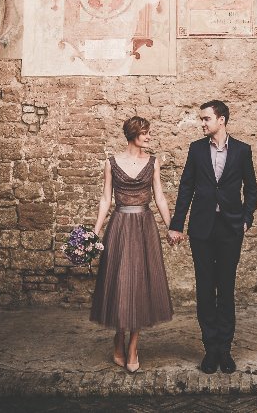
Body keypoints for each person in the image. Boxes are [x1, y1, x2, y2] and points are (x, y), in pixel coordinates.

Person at [168, 100, 257, 374]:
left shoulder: (242, 151)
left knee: (226, 289)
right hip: (202, 229)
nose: (202, 123)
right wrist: (177, 224)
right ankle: (210, 350)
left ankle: (225, 349)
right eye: (202, 119)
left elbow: (251, 189)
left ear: (221, 120)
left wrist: (246, 220)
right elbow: (186, 187)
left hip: (231, 229)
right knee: (206, 290)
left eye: (206, 118)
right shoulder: (196, 149)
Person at [90, 116, 174, 372]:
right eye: (145, 133)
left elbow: (159, 196)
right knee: (120, 282)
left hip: (145, 226)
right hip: (120, 225)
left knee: (140, 284)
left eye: (149, 133)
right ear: (134, 134)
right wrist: (94, 232)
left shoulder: (153, 162)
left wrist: (172, 226)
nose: (149, 137)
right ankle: (119, 336)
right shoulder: (111, 163)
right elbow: (106, 199)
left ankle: (134, 345)